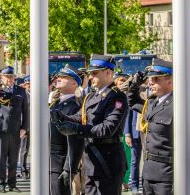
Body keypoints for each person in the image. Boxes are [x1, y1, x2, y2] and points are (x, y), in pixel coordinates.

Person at [53, 54, 128, 195]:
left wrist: (76, 129)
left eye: (95, 73)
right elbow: (81, 118)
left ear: (108, 73)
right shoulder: (91, 96)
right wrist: (63, 117)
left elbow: (107, 128)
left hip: (108, 162)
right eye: (90, 74)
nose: (91, 77)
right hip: (91, 162)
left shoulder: (117, 97)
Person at [128, 58, 173, 195]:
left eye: (156, 79)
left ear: (169, 81)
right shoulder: (152, 103)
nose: (151, 82)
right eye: (150, 79)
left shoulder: (178, 105)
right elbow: (131, 101)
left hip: (166, 173)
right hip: (148, 172)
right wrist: (136, 83)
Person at [49, 65, 84, 195]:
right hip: (50, 161)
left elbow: (75, 141)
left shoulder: (75, 107)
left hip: (60, 163)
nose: (59, 78)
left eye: (64, 77)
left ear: (74, 83)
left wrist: (70, 168)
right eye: (59, 76)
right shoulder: (55, 103)